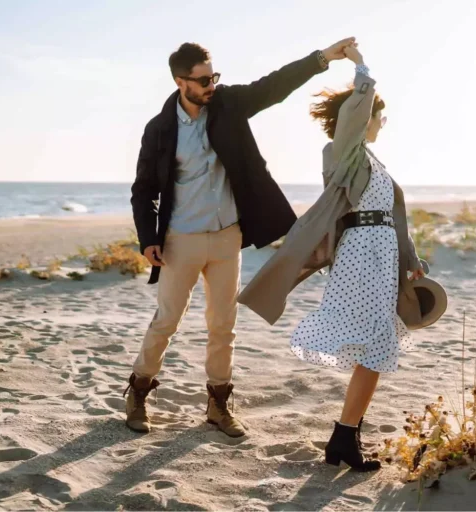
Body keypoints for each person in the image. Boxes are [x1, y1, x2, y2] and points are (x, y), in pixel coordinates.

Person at [126, 38, 357, 437]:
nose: (211, 85)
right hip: (182, 239)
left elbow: (273, 86)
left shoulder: (228, 105)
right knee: (167, 321)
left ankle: (218, 405)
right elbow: (143, 189)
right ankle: (139, 392)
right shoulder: (160, 129)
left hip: (227, 237)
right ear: (181, 82)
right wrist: (148, 238)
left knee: (223, 326)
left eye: (214, 76)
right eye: (203, 80)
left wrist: (321, 59)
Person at [238, 44, 426, 470]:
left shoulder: (375, 162)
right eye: (378, 116)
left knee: (376, 347)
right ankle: (344, 437)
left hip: (382, 256)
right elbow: (357, 113)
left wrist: (410, 258)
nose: (381, 123)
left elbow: (392, 217)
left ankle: (345, 436)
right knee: (376, 346)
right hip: (361, 257)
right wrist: (361, 67)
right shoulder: (343, 153)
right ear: (362, 117)